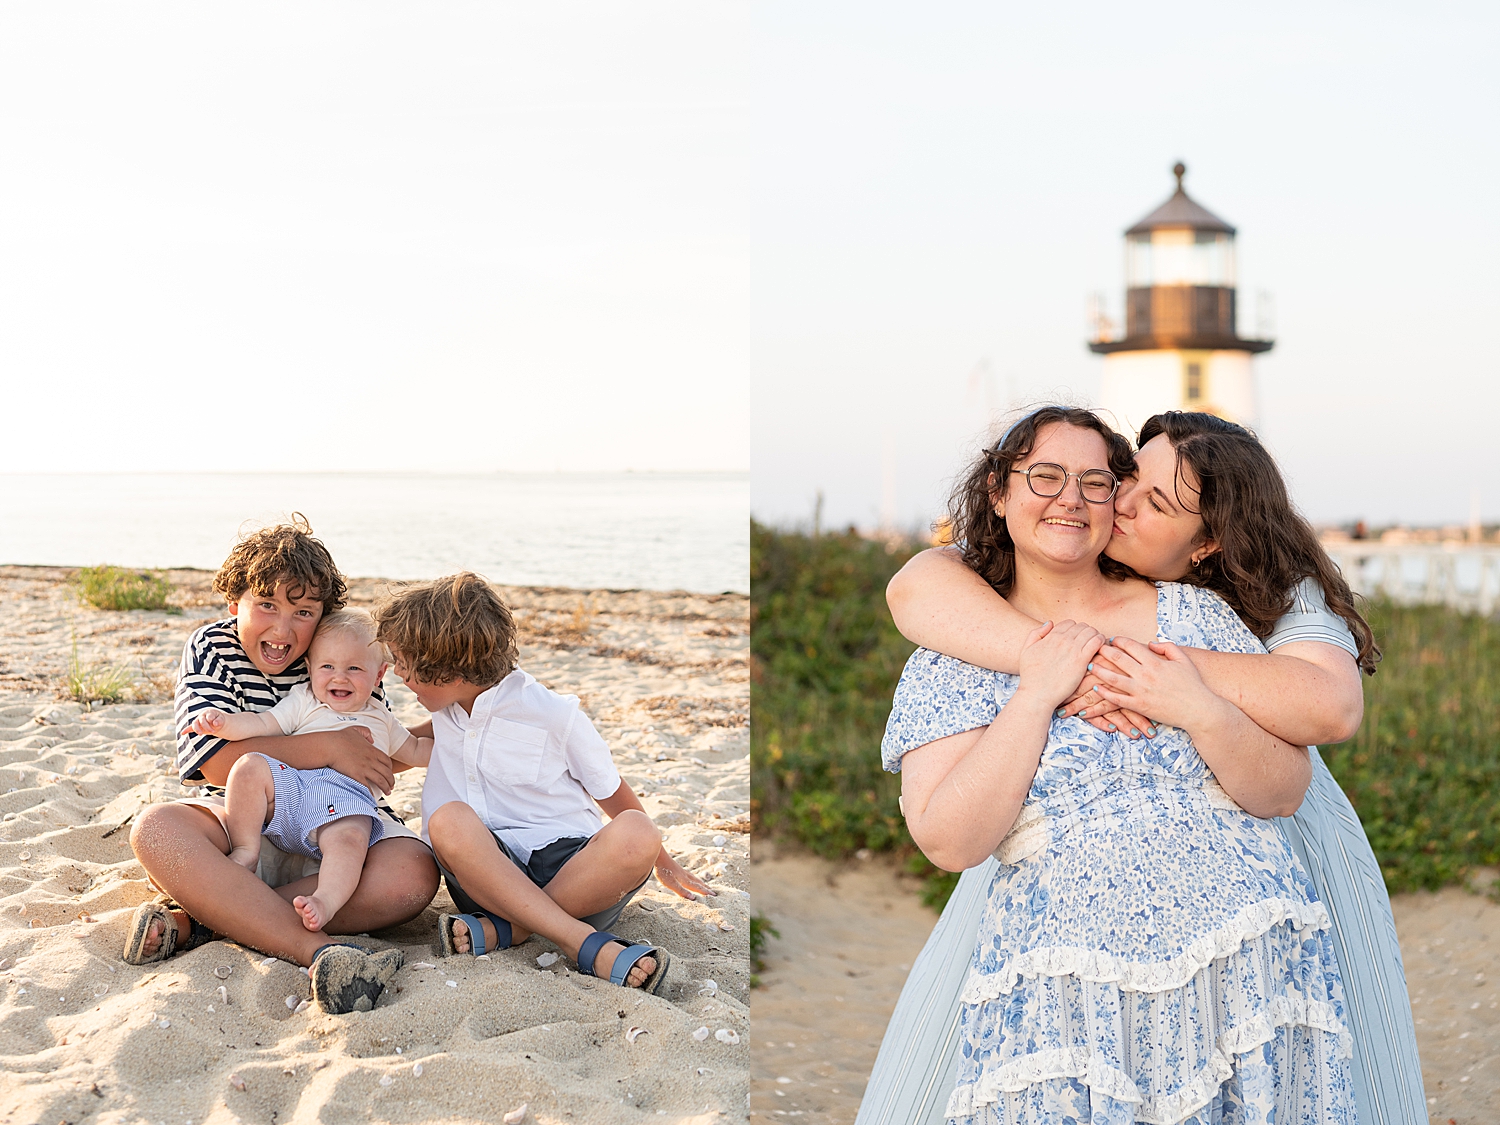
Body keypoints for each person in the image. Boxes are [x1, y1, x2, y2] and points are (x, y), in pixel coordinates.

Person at [858, 411, 1424, 1125]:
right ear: (999, 492)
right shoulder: (955, 640)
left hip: (1247, 971)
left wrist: (1191, 699)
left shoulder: (1217, 608)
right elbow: (947, 838)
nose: (1086, 500)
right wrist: (1041, 686)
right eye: (1046, 476)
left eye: (1103, 482)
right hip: (1071, 997)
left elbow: (1310, 744)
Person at [124, 518, 438, 1015]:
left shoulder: (341, 652)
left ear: (324, 618)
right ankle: (318, 952)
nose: (283, 627)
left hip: (340, 834)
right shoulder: (213, 648)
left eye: (304, 611)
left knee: (413, 874)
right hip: (246, 821)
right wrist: (328, 748)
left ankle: (211, 918)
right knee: (157, 829)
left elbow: (373, 758)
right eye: (266, 604)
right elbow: (217, 764)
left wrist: (461, 724)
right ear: (235, 604)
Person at [375, 572, 716, 991]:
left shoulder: (555, 715)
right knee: (448, 821)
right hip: (485, 876)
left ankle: (511, 930)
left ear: (449, 670)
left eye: (407, 666)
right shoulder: (446, 714)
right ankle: (580, 941)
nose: (398, 674)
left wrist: (664, 862)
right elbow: (393, 758)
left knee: (638, 831)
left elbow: (612, 792)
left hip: (574, 873)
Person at [183, 609, 434, 932]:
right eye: (327, 666)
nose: (339, 677)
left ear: (378, 675)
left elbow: (414, 750)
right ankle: (246, 850)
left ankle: (325, 900)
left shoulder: (380, 716)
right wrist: (225, 723)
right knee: (249, 765)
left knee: (349, 842)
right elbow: (262, 724)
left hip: (344, 803)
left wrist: (455, 739)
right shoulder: (304, 700)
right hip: (293, 789)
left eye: (353, 668)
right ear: (310, 668)